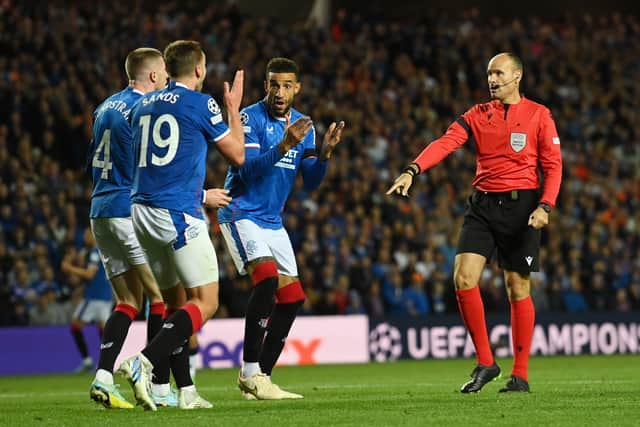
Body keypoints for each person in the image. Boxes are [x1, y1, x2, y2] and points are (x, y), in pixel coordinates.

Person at [387, 52, 562, 393]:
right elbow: (445, 142)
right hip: (482, 204)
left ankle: (520, 375)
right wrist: (413, 170)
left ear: (517, 76)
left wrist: (545, 206)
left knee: (517, 286)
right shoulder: (477, 114)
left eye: (498, 73)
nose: (492, 80)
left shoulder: (539, 115)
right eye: (489, 74)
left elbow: (554, 165)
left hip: (522, 207)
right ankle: (486, 362)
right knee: (463, 278)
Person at [117, 39, 245, 411]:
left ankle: (178, 389)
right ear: (200, 70)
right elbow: (237, 154)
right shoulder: (201, 103)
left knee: (175, 304)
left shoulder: (142, 104)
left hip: (141, 212)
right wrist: (232, 110)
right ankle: (143, 362)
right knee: (205, 303)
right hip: (176, 214)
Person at [218, 57, 345, 400]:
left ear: (297, 88)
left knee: (292, 297)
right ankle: (247, 372)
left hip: (272, 221)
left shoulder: (304, 126)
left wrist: (326, 156)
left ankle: (261, 376)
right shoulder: (250, 118)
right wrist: (285, 145)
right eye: (274, 84)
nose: (280, 91)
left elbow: (312, 183)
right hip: (241, 213)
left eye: (287, 85)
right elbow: (247, 172)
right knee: (267, 281)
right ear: (266, 86)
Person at [86, 47, 184, 409]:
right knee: (159, 297)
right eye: (165, 74)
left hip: (100, 208)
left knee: (127, 300)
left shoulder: (104, 107)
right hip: (128, 208)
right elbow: (149, 165)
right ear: (155, 77)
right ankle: (154, 382)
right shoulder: (145, 110)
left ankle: (103, 377)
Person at [61, 229, 113, 374]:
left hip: (95, 297)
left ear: (93, 235)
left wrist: (69, 268)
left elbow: (90, 274)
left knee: (75, 326)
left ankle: (88, 361)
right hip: (105, 295)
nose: (84, 237)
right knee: (103, 330)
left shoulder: (95, 252)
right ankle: (106, 364)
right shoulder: (98, 250)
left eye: (87, 234)